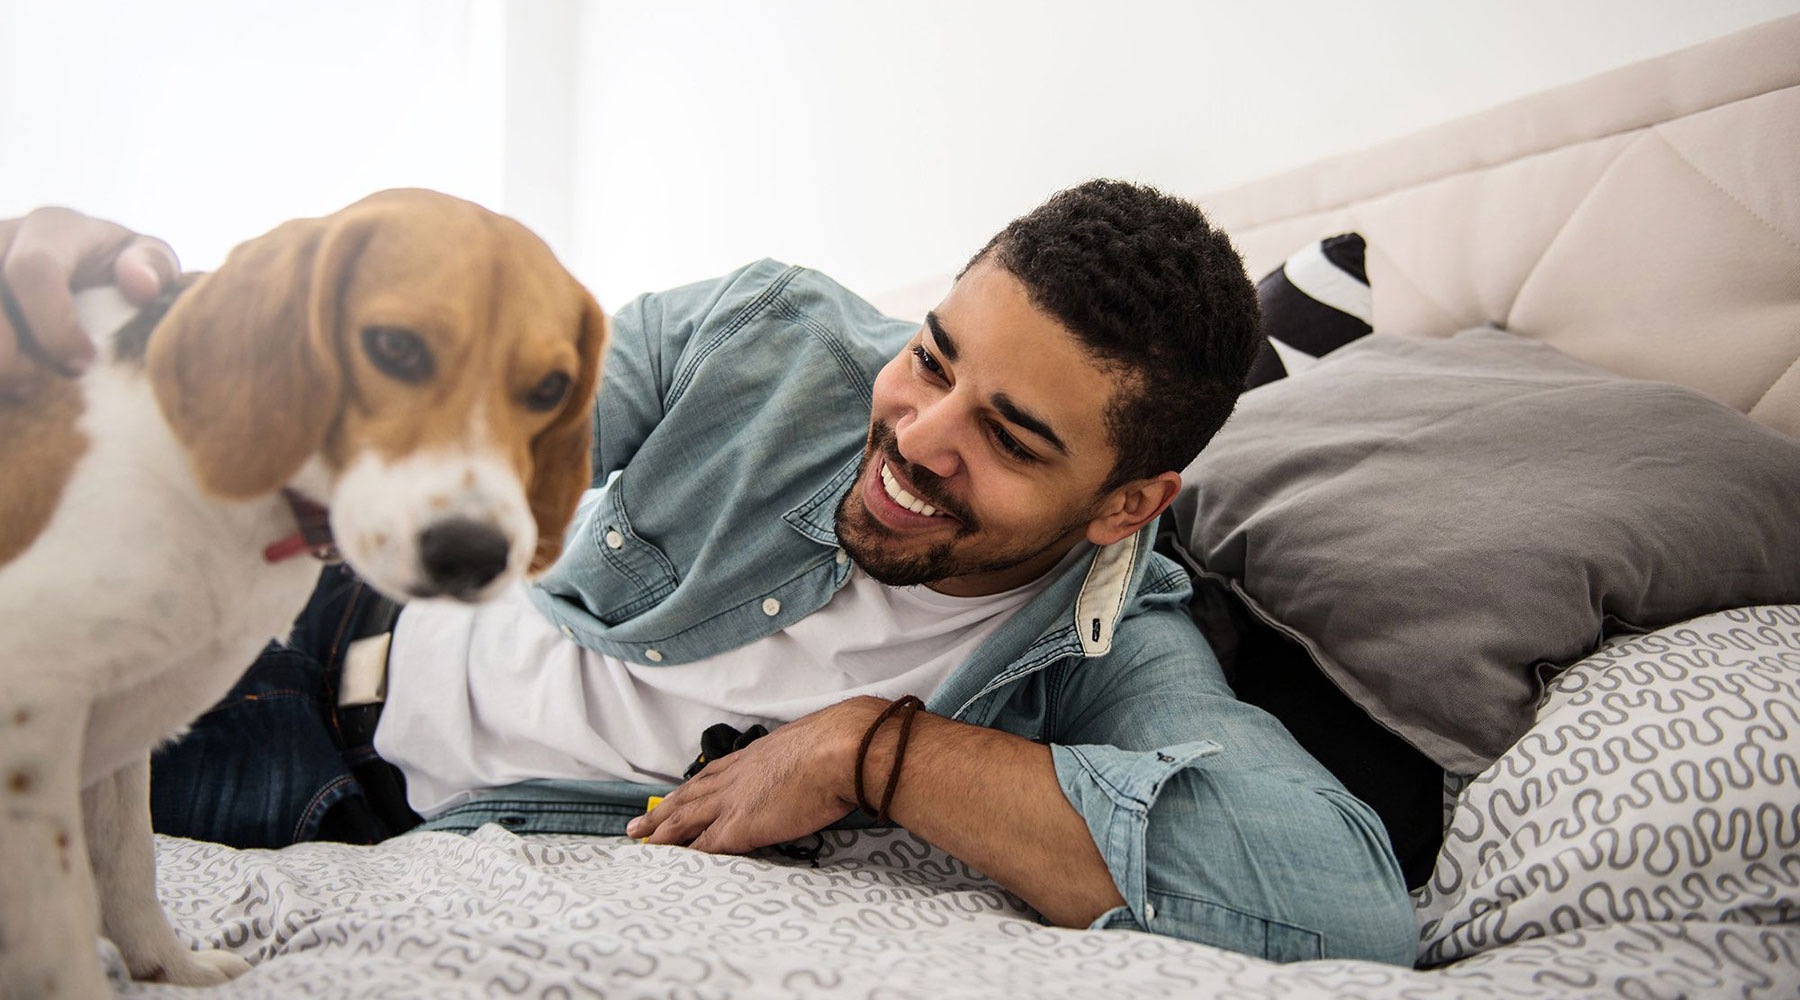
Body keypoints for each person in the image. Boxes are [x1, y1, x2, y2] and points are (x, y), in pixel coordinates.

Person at [0, 183, 1418, 964]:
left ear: (1127, 503)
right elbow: (471, 396)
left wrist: (881, 756)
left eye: (1009, 434)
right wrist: (132, 300)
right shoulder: (767, 335)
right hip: (312, 592)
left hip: (325, 786)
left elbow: (1344, 899)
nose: (916, 437)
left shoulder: (1115, 646)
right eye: (931, 356)